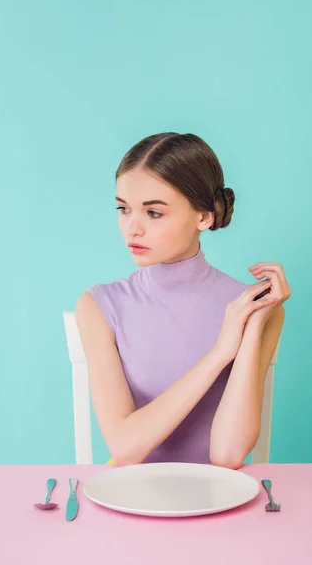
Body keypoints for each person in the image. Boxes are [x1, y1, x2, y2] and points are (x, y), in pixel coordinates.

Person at [75, 132, 291, 469]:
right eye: (123, 209)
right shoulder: (98, 306)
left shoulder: (251, 308)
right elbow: (126, 447)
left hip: (219, 502)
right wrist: (221, 351)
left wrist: (254, 324)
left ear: (203, 216)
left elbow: (227, 454)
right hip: (131, 501)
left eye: (154, 213)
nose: (132, 228)